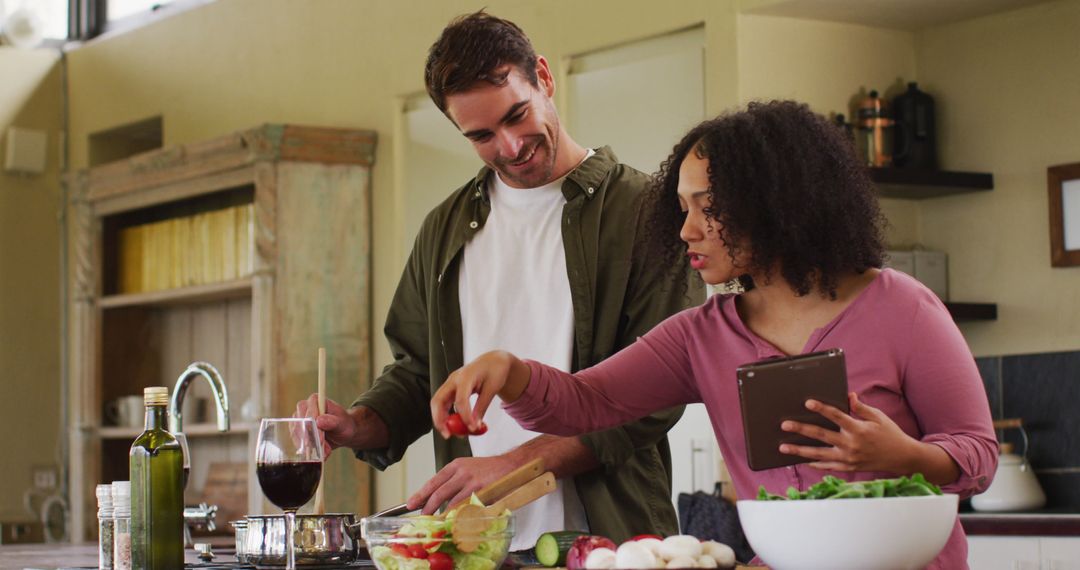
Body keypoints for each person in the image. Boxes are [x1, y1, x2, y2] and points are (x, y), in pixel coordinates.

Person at [431, 100, 998, 569]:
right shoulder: (700, 336)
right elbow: (590, 402)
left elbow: (978, 455)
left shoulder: (903, 307)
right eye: (682, 207)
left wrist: (903, 455)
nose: (687, 230)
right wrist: (510, 370)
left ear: (777, 204)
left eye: (709, 207)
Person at [295, 11, 701, 549]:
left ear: (544, 77)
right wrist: (360, 423)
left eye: (517, 115)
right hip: (474, 547)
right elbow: (420, 372)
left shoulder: (648, 212)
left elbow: (655, 393)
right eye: (482, 135)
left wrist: (513, 466)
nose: (510, 147)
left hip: (611, 541)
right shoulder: (443, 227)